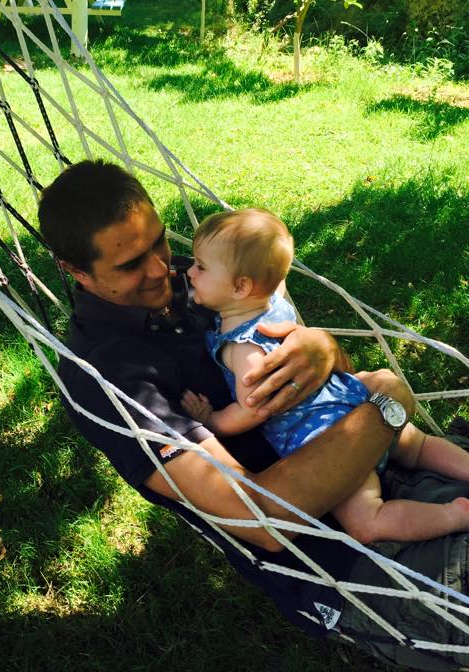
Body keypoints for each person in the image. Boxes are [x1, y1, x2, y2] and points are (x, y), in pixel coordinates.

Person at [37, 159, 469, 670]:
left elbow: (319, 370)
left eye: (157, 241)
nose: (161, 268)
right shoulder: (104, 376)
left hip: (388, 457)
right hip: (348, 553)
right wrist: (389, 403)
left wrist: (324, 350)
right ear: (75, 271)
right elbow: (263, 519)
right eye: (131, 265)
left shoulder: (203, 278)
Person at [181, 207, 469, 544]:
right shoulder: (274, 302)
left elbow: (254, 407)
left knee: (368, 522)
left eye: (201, 266)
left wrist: (212, 420)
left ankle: (455, 514)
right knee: (418, 446)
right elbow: (277, 276)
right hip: (358, 404)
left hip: (328, 441)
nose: (190, 272)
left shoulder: (241, 349)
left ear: (241, 287)